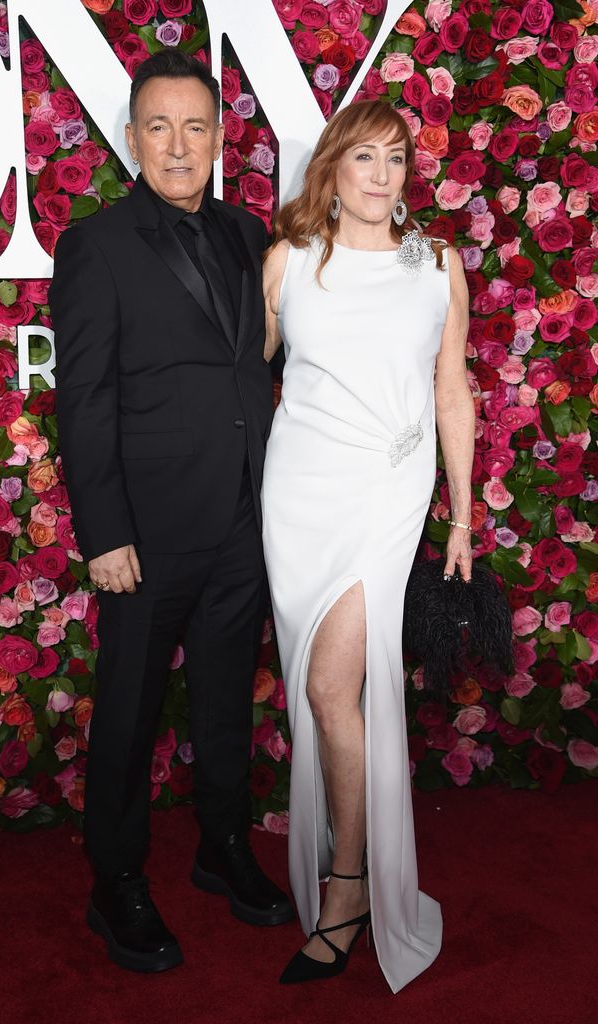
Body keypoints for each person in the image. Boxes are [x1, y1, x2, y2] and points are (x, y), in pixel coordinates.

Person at [49, 50, 292, 975]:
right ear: (131, 138)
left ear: (221, 138)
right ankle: (115, 881)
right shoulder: (97, 244)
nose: (179, 144)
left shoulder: (246, 231)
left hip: (243, 519)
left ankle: (222, 847)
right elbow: (85, 398)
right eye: (160, 126)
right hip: (144, 534)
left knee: (228, 698)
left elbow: (259, 367)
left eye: (197, 126)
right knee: (129, 710)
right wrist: (104, 532)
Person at [261, 100, 474, 990]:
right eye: (365, 158)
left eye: (397, 160)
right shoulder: (289, 263)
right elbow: (252, 378)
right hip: (297, 497)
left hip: (386, 497)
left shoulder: (438, 268)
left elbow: (452, 393)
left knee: (325, 683)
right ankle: (335, 840)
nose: (383, 176)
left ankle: (348, 883)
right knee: (321, 690)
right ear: (334, 170)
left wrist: (462, 515)